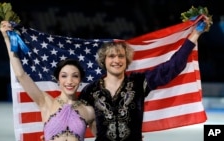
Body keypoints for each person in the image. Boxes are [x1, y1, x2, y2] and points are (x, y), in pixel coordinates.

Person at [78, 16, 212, 141]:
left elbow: (172, 67)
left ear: (127, 60)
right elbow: (78, 122)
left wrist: (195, 34)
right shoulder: (90, 90)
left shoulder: (138, 82)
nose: (117, 60)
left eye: (121, 56)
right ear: (103, 60)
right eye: (111, 56)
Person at [0, 21, 96, 141]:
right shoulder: (46, 102)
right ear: (58, 80)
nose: (69, 81)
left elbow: (104, 136)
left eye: (75, 76)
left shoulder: (89, 111)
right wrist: (7, 39)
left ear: (80, 80)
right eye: (64, 76)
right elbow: (21, 75)